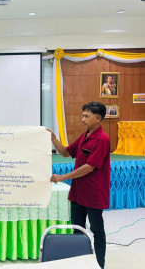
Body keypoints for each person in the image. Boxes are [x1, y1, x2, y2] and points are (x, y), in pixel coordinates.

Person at [46, 102, 110, 269]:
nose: (82, 119)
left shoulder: (102, 140)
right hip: (78, 193)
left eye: (86, 116)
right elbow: (66, 152)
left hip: (93, 194)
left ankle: (99, 264)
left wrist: (63, 177)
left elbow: (89, 167)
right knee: (77, 230)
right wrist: (53, 138)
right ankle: (80, 262)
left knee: (97, 230)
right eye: (83, 115)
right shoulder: (85, 136)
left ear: (98, 118)